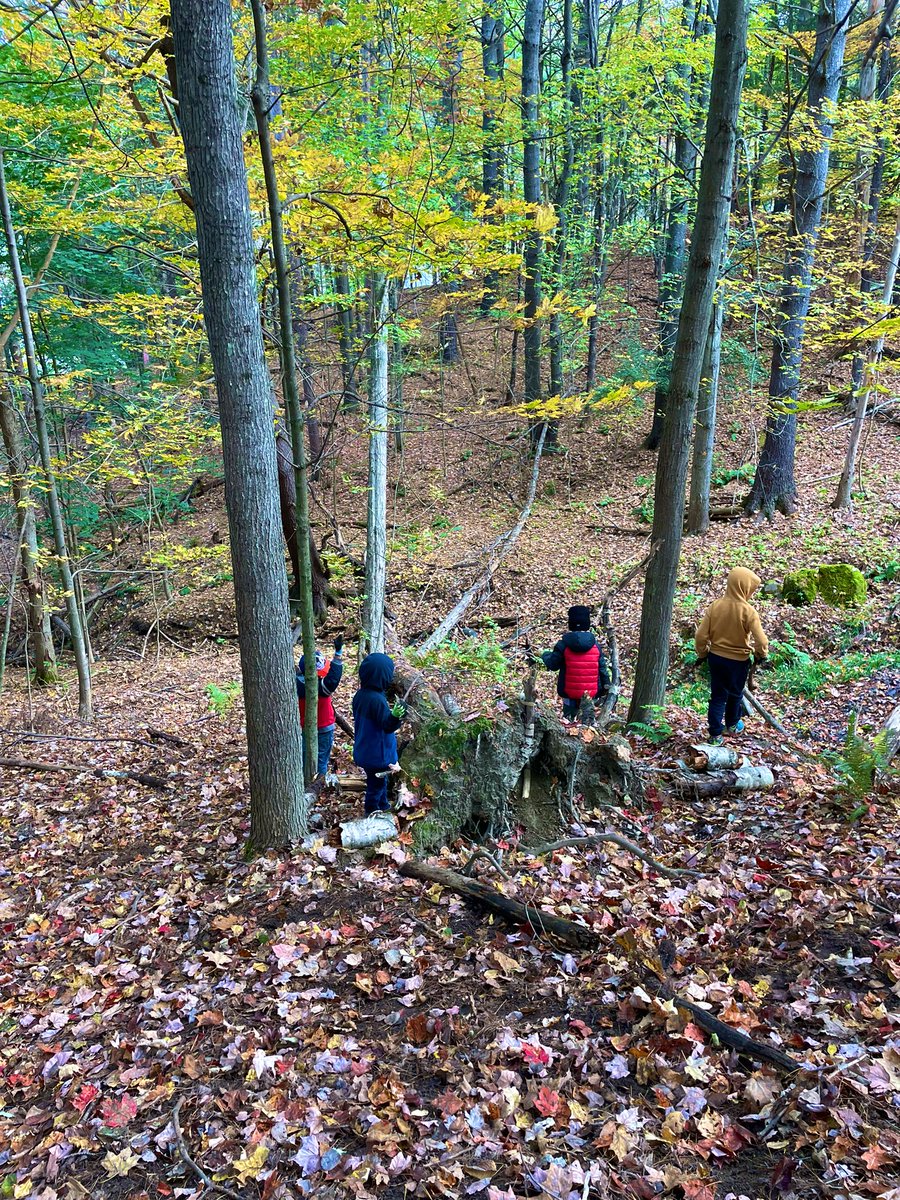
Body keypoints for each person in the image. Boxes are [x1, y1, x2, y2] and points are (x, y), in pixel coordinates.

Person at [694, 567, 769, 744]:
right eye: (751, 589)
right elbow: (762, 641)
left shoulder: (715, 606)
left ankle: (715, 735)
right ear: (744, 587)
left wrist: (703, 653)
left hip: (716, 659)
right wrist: (761, 655)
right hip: (738, 662)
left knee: (718, 696)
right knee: (735, 694)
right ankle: (733, 725)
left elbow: (700, 636)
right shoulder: (748, 611)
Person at [352, 652, 406, 815]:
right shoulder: (377, 700)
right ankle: (372, 811)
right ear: (383, 676)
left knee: (379, 780)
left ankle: (383, 805)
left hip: (366, 749)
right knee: (376, 785)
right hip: (378, 754)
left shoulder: (360, 695)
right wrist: (395, 716)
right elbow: (387, 726)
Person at [541, 605, 611, 721]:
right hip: (591, 694)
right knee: (587, 723)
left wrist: (545, 655)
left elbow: (553, 665)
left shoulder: (563, 645)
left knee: (569, 722)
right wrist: (606, 686)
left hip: (569, 695)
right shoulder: (595, 646)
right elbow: (602, 669)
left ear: (570, 623)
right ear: (587, 623)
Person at [296, 636, 344, 777]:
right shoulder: (318, 688)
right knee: (321, 761)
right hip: (323, 728)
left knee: (306, 759)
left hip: (305, 728)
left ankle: (307, 781)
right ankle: (318, 784)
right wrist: (338, 654)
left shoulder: (296, 683)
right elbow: (333, 680)